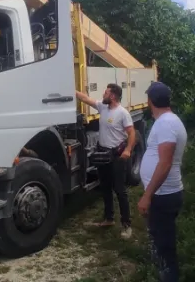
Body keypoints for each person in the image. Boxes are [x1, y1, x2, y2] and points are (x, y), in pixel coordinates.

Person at [137, 81, 187, 282]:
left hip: (163, 196)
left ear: (150, 101)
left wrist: (147, 196)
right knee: (161, 243)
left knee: (165, 248)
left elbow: (165, 164)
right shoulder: (169, 120)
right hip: (165, 194)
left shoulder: (166, 123)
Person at [76, 84, 136, 238]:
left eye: (106, 92)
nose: (103, 94)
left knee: (120, 190)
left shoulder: (123, 113)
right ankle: (109, 219)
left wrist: (128, 150)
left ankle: (126, 225)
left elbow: (131, 133)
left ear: (113, 96)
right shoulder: (103, 108)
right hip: (103, 155)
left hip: (116, 157)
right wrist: (70, 89)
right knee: (105, 188)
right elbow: (85, 98)